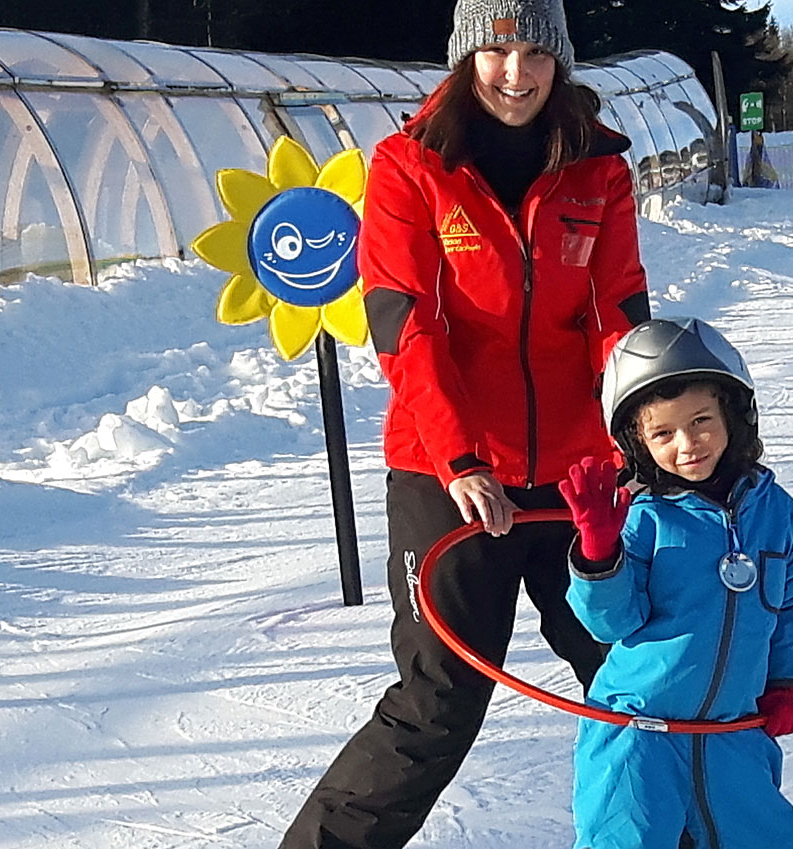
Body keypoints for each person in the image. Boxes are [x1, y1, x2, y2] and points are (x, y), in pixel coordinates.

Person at [279, 1, 651, 847]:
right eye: (496, 50)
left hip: (577, 478)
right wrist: (458, 457)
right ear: (464, 56)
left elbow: (617, 313)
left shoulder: (597, 168)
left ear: (560, 61)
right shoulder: (409, 167)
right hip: (446, 475)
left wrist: (635, 441)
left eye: (534, 53)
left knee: (634, 675)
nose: (515, 73)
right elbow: (407, 324)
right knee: (436, 702)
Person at [559, 317, 793, 849]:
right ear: (637, 442)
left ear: (732, 414)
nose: (688, 444)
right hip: (638, 735)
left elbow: (791, 608)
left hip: (732, 733)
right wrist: (599, 553)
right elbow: (610, 622)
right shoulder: (643, 518)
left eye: (701, 420)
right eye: (663, 433)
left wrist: (789, 681)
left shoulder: (780, 518)